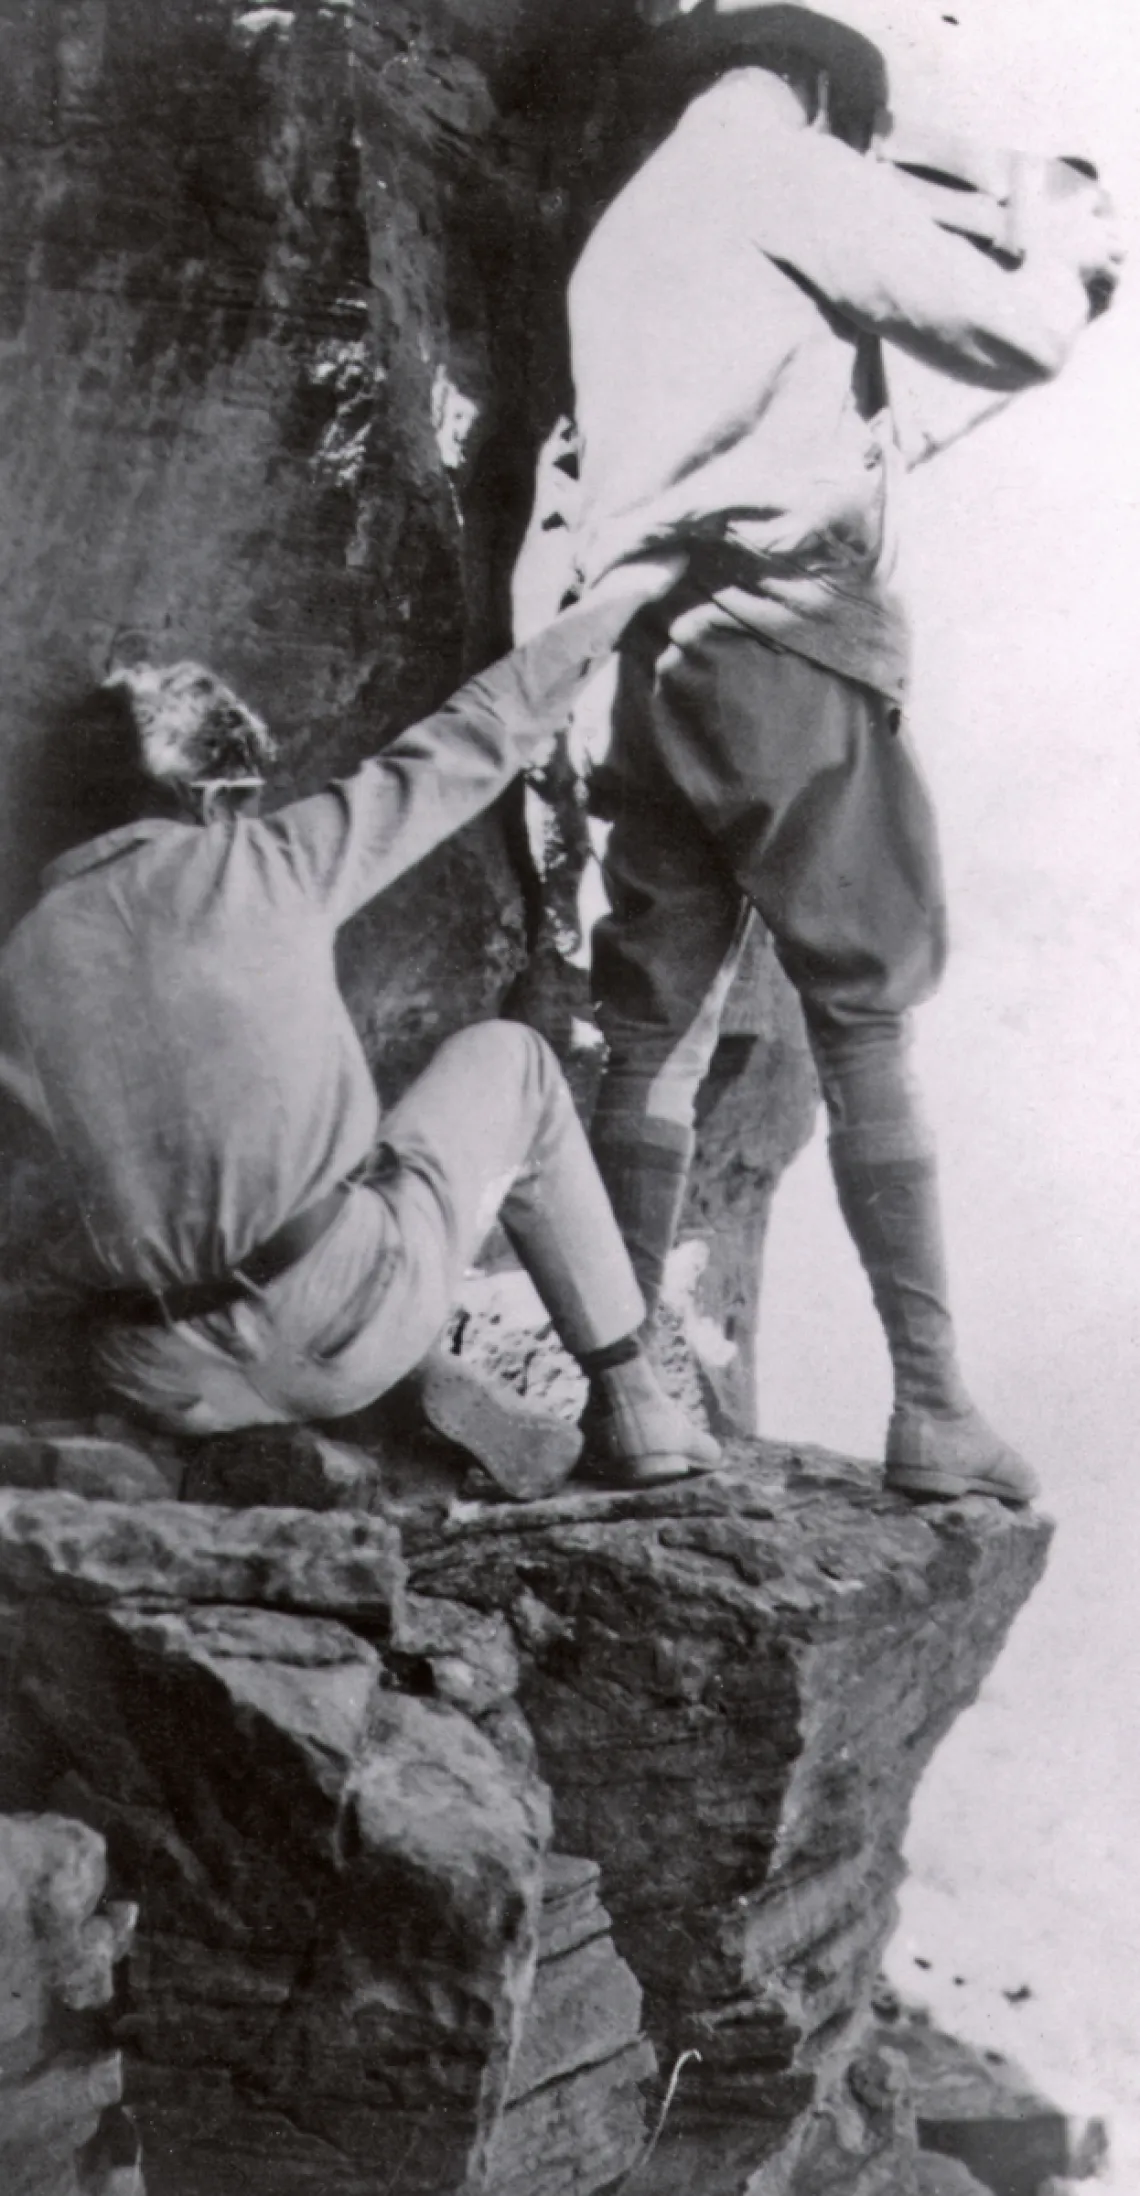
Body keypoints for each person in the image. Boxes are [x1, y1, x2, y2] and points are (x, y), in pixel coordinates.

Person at [556, 0, 1123, 1503]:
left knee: (653, 1034)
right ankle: (933, 1411)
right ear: (817, 90)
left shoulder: (640, 216)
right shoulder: (785, 157)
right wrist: (1066, 253)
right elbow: (1012, 333)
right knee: (868, 1014)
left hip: (654, 658)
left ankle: (635, 1411)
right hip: (788, 654)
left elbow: (746, 428)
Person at [0, 573, 720, 1494]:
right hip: (351, 1325)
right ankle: (636, 1408)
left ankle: (228, 1445)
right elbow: (475, 737)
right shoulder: (265, 861)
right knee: (513, 1063)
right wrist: (624, 595)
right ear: (208, 799)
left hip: (162, 1376)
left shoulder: (17, 971)